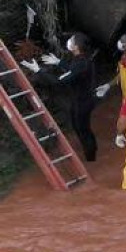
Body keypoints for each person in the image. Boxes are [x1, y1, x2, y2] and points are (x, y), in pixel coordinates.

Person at [22, 33, 98, 161]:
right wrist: (59, 62)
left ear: (76, 47)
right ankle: (90, 151)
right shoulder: (81, 59)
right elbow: (73, 71)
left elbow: (59, 81)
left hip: (83, 102)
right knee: (77, 126)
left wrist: (38, 70)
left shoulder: (81, 63)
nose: (69, 42)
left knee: (82, 129)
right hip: (80, 100)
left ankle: (91, 156)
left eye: (72, 41)